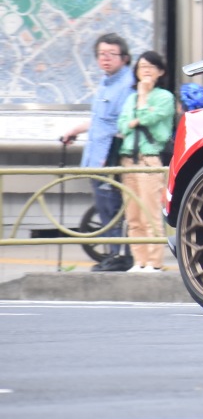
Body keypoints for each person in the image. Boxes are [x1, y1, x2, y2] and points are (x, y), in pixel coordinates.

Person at [60, 33, 136, 272]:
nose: (105, 59)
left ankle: (120, 256)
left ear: (124, 58)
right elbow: (99, 120)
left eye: (111, 54)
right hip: (96, 154)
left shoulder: (128, 84)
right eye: (101, 54)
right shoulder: (106, 81)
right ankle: (112, 253)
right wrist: (74, 130)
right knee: (104, 206)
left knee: (113, 207)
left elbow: (122, 123)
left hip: (111, 155)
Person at [117, 51, 176, 273]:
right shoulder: (130, 98)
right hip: (127, 159)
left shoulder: (164, 97)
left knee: (151, 212)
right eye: (142, 66)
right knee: (133, 214)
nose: (146, 70)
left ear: (160, 71)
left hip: (149, 159)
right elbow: (123, 125)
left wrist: (142, 102)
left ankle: (154, 262)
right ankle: (139, 261)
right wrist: (136, 117)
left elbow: (152, 121)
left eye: (151, 66)